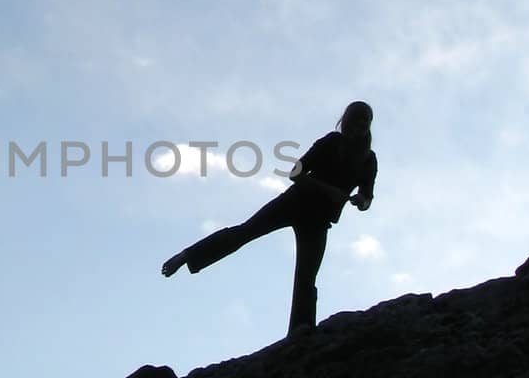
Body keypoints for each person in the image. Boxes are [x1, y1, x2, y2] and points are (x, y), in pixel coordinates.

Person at [161, 101, 377, 339]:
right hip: (294, 203)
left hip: (319, 220)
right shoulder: (331, 142)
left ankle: (300, 331)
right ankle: (186, 256)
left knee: (306, 276)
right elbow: (295, 173)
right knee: (245, 232)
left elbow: (367, 196)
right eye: (357, 119)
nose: (361, 124)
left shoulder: (368, 160)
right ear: (347, 121)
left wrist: (361, 200)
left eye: (366, 120)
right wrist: (329, 191)